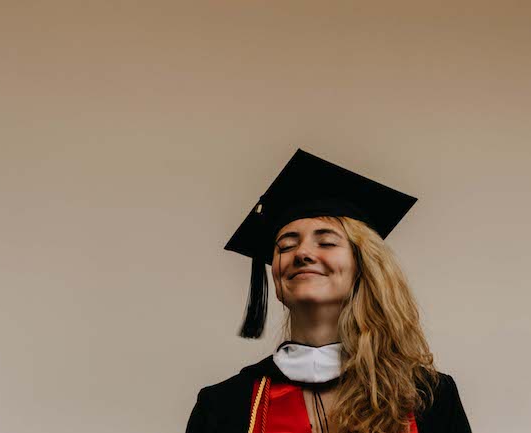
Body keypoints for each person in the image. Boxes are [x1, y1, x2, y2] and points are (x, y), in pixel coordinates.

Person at [186, 149, 472, 433]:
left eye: (326, 242)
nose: (302, 253)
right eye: (286, 245)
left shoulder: (426, 398)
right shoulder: (224, 406)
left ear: (363, 266)